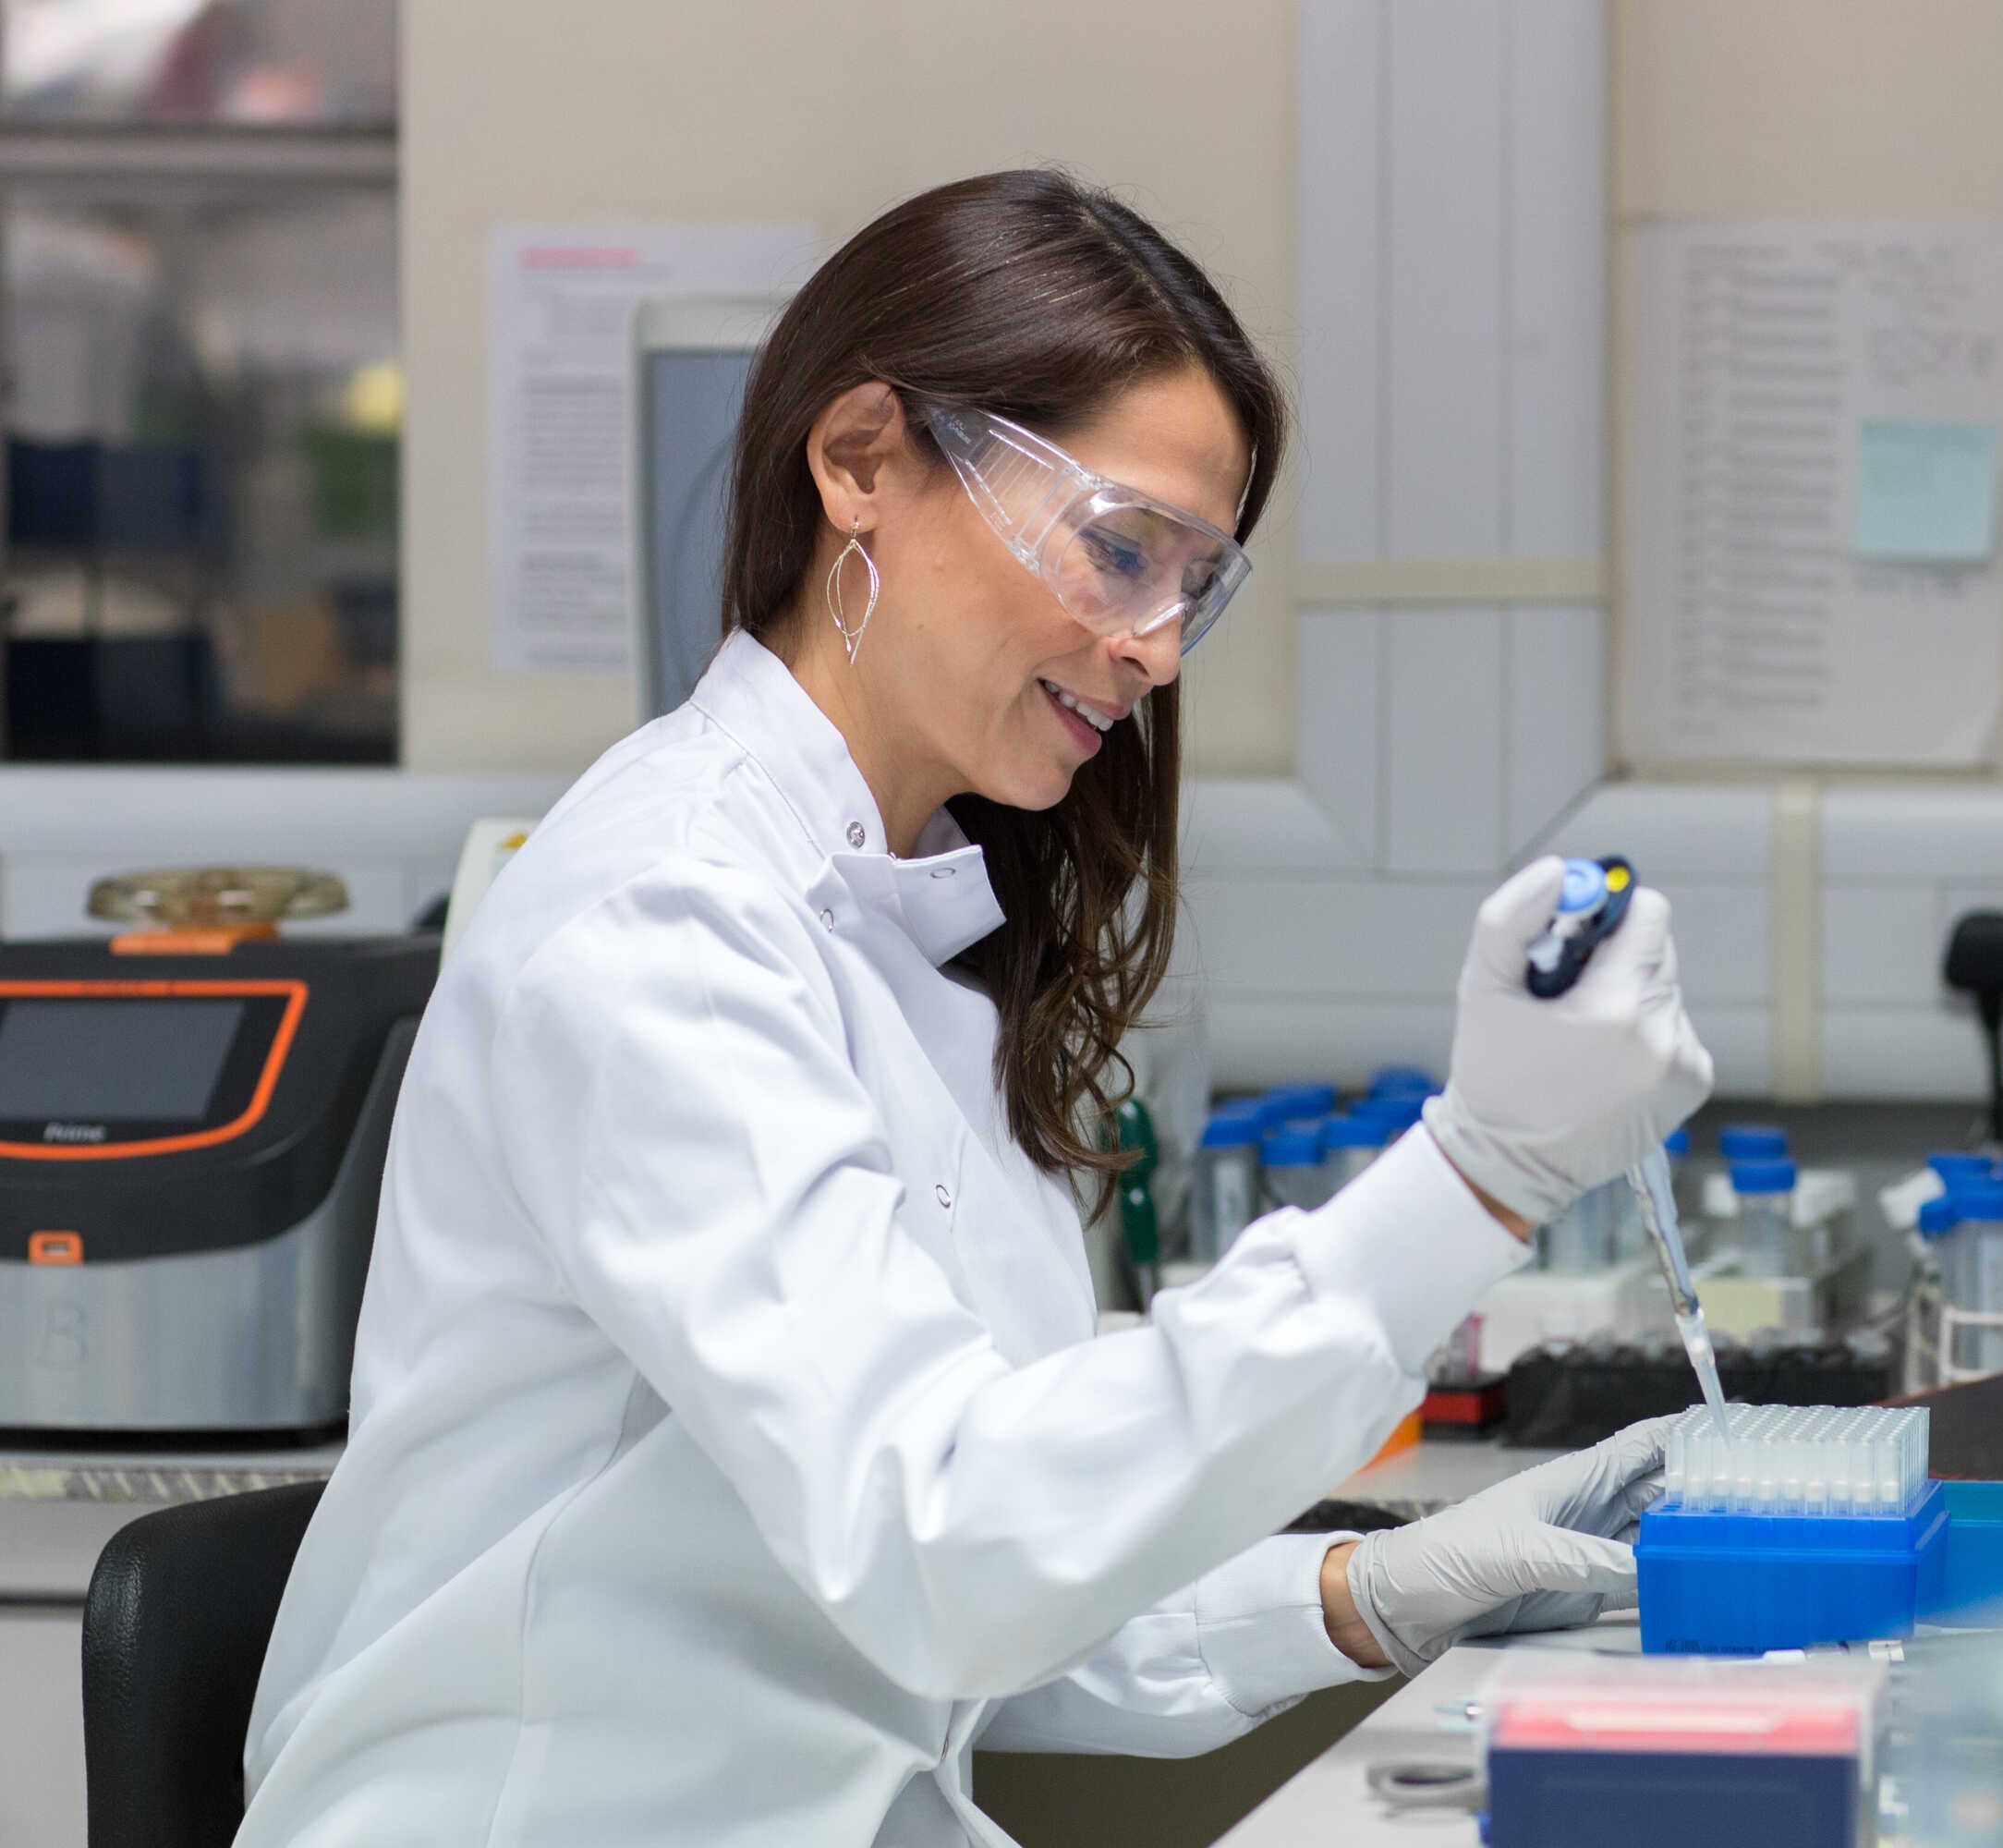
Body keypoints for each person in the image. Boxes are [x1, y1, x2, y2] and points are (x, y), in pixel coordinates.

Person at [237, 169, 1711, 1848]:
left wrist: (1374, 1592)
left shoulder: (911, 927)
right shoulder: (663, 921)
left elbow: (959, 1603)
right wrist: (1474, 1178)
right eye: (1118, 547)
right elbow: (941, 1551)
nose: (1156, 644)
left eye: (1194, 583)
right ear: (861, 458)